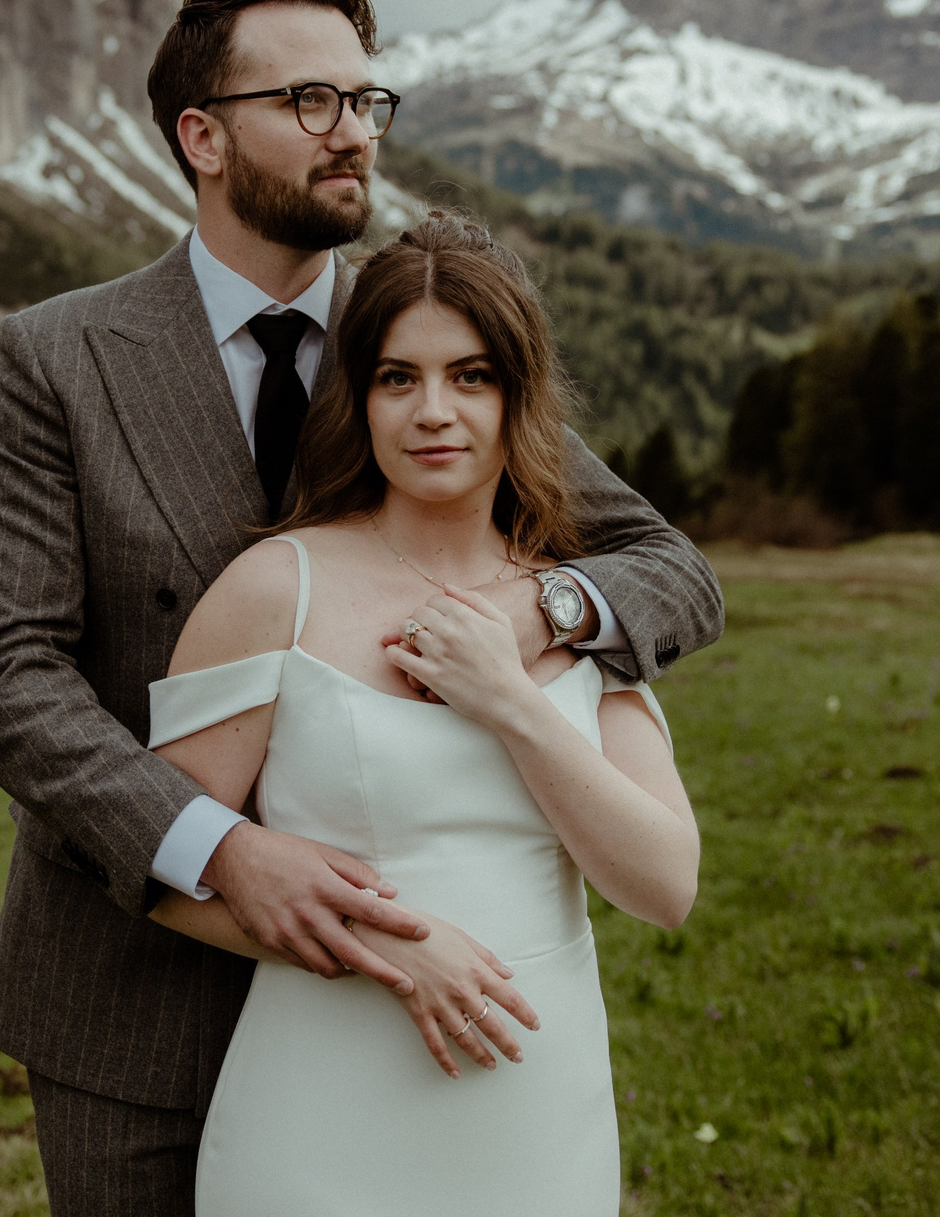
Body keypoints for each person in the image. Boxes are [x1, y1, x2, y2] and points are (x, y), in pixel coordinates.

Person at [0, 0, 723, 1215]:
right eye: (311, 101)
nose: (352, 131)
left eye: (367, 101)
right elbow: (5, 673)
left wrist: (529, 618)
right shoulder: (62, 355)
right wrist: (219, 848)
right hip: (133, 990)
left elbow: (667, 569)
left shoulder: (421, 340)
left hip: (414, 1036)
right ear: (202, 136)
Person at [149, 209, 701, 1213]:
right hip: (319, 1113)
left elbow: (664, 886)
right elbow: (158, 866)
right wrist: (383, 947)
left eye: (471, 376)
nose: (432, 410)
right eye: (398, 377)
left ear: (517, 396)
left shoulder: (578, 605)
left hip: (535, 1116)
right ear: (356, 399)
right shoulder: (277, 587)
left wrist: (510, 703)